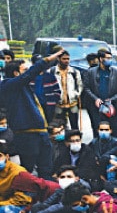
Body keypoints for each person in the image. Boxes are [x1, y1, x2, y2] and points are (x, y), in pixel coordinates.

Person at [1, 49, 64, 179]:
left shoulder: (26, 88)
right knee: (28, 169)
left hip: (41, 133)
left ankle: (47, 196)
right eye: (25, 70)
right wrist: (47, 60)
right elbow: (29, 74)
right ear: (16, 73)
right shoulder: (8, 85)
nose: (29, 73)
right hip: (26, 135)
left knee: (46, 169)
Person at [83, 49, 117, 138]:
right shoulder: (91, 72)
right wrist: (95, 98)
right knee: (97, 128)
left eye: (110, 58)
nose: (109, 60)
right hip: (97, 106)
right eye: (107, 58)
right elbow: (86, 88)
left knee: (116, 129)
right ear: (100, 59)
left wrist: (112, 99)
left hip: (113, 105)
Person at [49, 50, 83, 130]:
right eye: (64, 59)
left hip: (72, 103)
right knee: (59, 126)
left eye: (68, 59)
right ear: (58, 59)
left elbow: (80, 85)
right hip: (58, 104)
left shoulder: (74, 72)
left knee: (74, 126)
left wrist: (76, 94)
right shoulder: (52, 71)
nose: (66, 61)